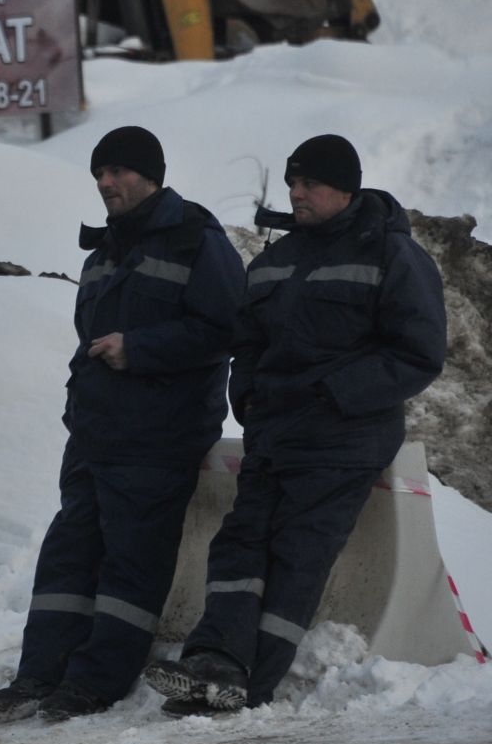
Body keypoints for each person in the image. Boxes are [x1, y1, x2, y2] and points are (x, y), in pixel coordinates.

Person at [146, 134, 446, 714]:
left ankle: (249, 684)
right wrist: (248, 395)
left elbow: (418, 354)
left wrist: (333, 394)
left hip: (345, 438)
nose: (296, 193)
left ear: (345, 187)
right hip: (274, 436)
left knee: (298, 554)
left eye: (309, 183)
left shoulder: (392, 254)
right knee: (239, 545)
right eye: (292, 182)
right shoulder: (275, 260)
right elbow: (246, 344)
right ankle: (212, 662)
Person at [0, 126, 246, 723]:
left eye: (118, 172)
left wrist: (141, 348)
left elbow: (227, 329)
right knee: (68, 555)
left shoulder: (195, 240)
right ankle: (38, 675)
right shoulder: (102, 254)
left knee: (133, 558)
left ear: (150, 175)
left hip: (159, 434)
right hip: (95, 431)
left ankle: (96, 682)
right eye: (99, 173)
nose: (105, 183)